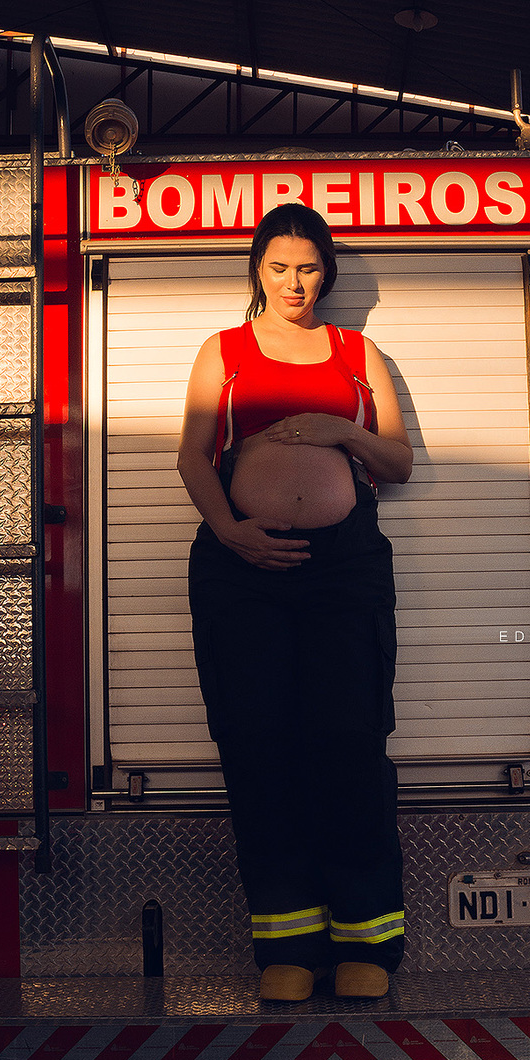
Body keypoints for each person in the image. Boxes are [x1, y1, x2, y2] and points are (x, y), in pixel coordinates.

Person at [178, 202, 414, 1002]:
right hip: (239, 569)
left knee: (348, 741)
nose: (294, 282)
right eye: (279, 266)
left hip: (342, 571)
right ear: (257, 269)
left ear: (328, 273)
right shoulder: (226, 351)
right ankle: (287, 942)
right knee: (257, 744)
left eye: (308, 267)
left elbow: (400, 459)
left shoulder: (357, 351)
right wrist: (231, 530)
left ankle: (370, 944)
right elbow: (191, 452)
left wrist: (337, 430)